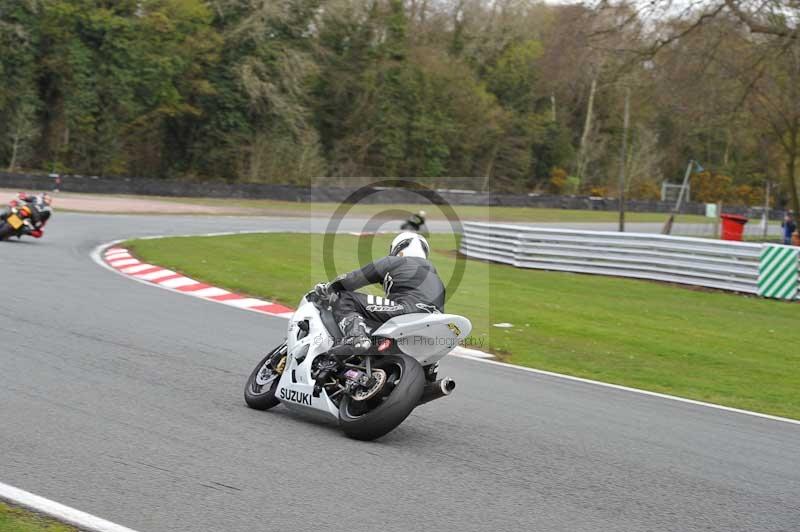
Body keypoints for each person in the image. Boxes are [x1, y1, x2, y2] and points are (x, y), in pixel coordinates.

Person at [315, 232, 445, 358]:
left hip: (406, 310)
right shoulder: (436, 277)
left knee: (346, 298)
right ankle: (430, 373)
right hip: (434, 319)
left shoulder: (393, 262)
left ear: (398, 249)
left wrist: (329, 287)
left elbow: (352, 279)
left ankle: (356, 338)